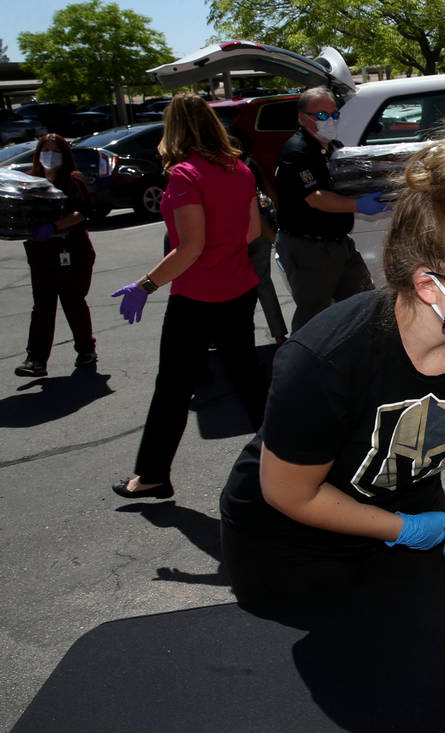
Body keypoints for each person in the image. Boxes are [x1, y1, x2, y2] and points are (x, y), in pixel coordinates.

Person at [219, 114, 445, 621]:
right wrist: (403, 530)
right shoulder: (326, 359)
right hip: (293, 547)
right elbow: (289, 493)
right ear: (427, 285)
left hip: (410, 505)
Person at [110, 94, 268, 499]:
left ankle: (152, 475)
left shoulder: (185, 175)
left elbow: (190, 247)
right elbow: (251, 233)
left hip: (198, 297)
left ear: (174, 129)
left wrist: (144, 285)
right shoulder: (239, 169)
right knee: (249, 382)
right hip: (239, 289)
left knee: (173, 389)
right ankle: (292, 462)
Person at [273, 86, 390, 333]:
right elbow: (315, 198)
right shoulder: (296, 151)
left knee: (362, 301)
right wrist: (359, 205)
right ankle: (301, 365)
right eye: (323, 115)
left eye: (334, 114)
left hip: (338, 243)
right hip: (309, 247)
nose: (331, 120)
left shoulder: (332, 147)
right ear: (303, 118)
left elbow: (348, 180)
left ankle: (358, 356)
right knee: (313, 313)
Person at [14, 134, 96, 377]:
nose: (49, 155)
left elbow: (81, 212)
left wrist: (55, 227)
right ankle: (36, 359)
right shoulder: (29, 181)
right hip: (41, 254)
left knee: (73, 301)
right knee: (42, 306)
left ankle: (86, 349)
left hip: (71, 251)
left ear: (64, 154)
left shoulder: (73, 181)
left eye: (55, 150)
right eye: (45, 150)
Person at [232, 131, 288, 345]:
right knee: (263, 283)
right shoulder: (249, 166)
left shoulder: (222, 170)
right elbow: (269, 191)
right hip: (258, 230)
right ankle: (279, 333)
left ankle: (232, 336)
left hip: (234, 234)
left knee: (235, 287)